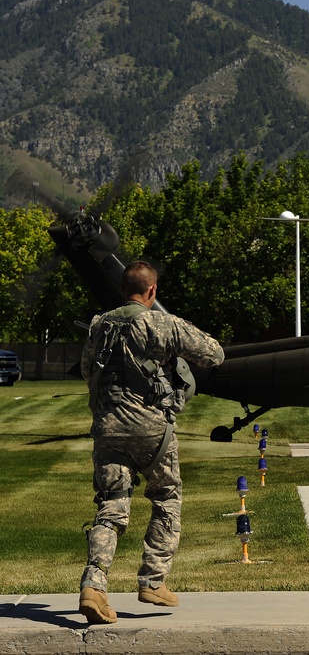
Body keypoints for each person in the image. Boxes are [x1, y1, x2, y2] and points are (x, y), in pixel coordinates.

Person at [78, 261, 224, 625]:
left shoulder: (99, 325)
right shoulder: (163, 323)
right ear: (152, 291)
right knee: (166, 497)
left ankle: (93, 585)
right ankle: (153, 580)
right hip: (153, 432)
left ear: (122, 289)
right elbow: (214, 354)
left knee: (111, 507)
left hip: (108, 429)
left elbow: (86, 370)